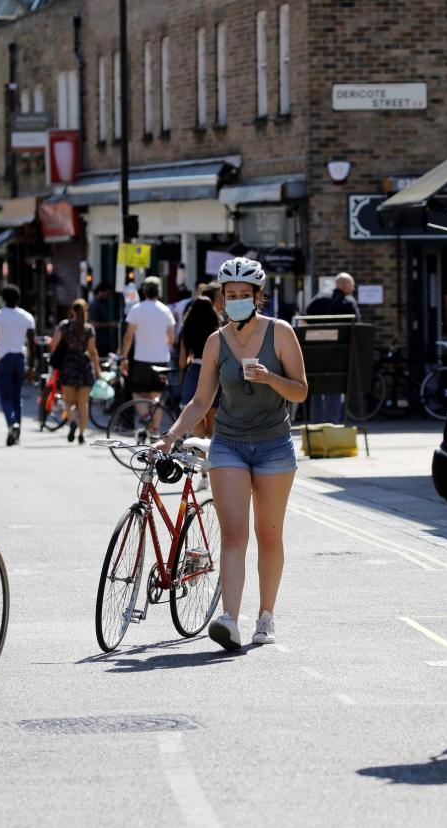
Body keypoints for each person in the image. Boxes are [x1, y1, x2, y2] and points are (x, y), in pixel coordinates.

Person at [154, 257, 308, 650]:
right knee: (234, 533)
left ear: (259, 297)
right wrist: (170, 435)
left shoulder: (281, 333)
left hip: (275, 444)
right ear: (221, 298)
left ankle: (266, 617)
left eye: (244, 295)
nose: (236, 300)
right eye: (230, 295)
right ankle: (229, 618)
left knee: (268, 535)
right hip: (229, 445)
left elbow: (301, 391)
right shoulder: (215, 341)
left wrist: (270, 378)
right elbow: (201, 400)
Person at [121, 276, 176, 432]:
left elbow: (128, 337)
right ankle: (155, 428)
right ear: (159, 291)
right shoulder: (165, 310)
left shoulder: (136, 309)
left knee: (137, 391)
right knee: (157, 394)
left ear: (144, 291)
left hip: (141, 359)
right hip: (162, 360)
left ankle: (145, 416)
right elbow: (172, 338)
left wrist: (124, 357)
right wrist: (163, 346)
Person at [0, 286, 36, 446]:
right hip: (20, 358)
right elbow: (32, 343)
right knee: (17, 395)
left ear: (3, 298)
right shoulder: (27, 317)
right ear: (18, 299)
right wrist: (32, 365)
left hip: (4, 358)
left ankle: (12, 423)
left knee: (5, 396)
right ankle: (17, 431)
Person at [307, 272, 360, 424]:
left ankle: (316, 424)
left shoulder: (318, 300)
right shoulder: (349, 301)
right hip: (338, 354)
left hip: (316, 353)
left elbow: (307, 315)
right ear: (343, 285)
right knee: (335, 388)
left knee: (316, 390)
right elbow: (357, 327)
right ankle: (332, 424)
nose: (353, 288)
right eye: (352, 285)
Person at [50, 298, 102, 445]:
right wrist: (98, 370)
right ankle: (81, 434)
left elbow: (54, 344)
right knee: (83, 404)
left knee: (68, 402)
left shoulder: (64, 326)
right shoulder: (89, 329)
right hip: (84, 366)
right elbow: (92, 351)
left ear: (72, 310)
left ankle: (72, 420)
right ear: (85, 311)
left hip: (68, 365)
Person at [178, 297, 221, 441]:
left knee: (194, 412)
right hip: (215, 371)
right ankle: (211, 447)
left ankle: (201, 448)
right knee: (213, 413)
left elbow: (182, 362)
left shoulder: (188, 329)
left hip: (195, 370)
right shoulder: (217, 330)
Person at [88, 283, 119, 357]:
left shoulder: (103, 303)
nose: (108, 296)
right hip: (97, 342)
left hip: (105, 341)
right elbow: (93, 324)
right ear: (100, 292)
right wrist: (111, 324)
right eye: (107, 293)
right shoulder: (94, 305)